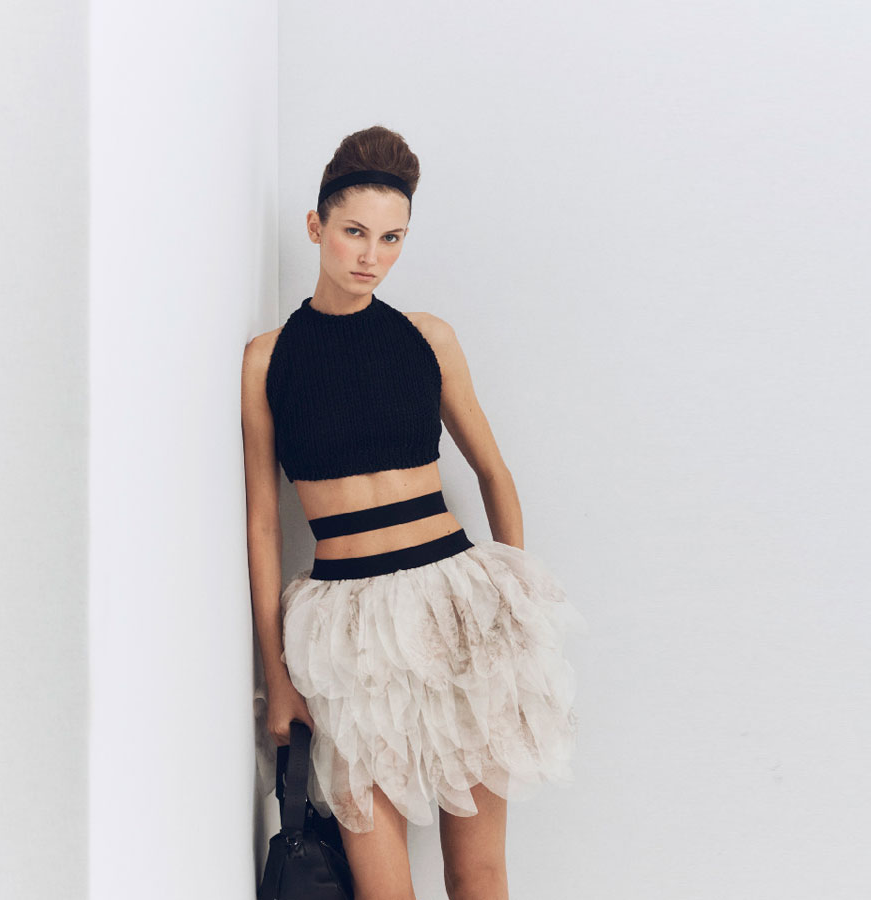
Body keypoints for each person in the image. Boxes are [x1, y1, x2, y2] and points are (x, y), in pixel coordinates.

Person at [242, 125, 586, 899]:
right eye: (354, 232)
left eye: (391, 238)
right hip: (346, 632)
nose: (371, 255)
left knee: (479, 873)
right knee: (383, 888)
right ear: (316, 227)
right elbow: (263, 523)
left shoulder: (428, 338)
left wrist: (517, 600)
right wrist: (277, 675)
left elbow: (494, 472)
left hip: (458, 609)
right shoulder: (268, 359)